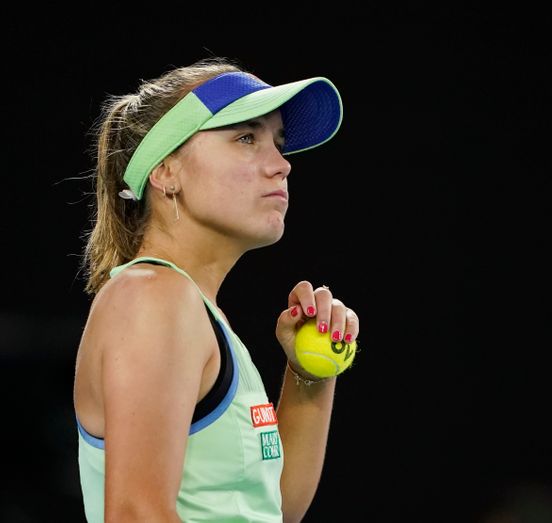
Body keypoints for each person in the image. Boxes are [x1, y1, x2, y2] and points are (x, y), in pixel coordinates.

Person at [72, 56, 358, 523]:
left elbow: (270, 507)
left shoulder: (194, 310)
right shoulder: (152, 296)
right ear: (166, 171)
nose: (281, 165)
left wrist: (309, 377)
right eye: (246, 138)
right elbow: (136, 515)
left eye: (278, 143)